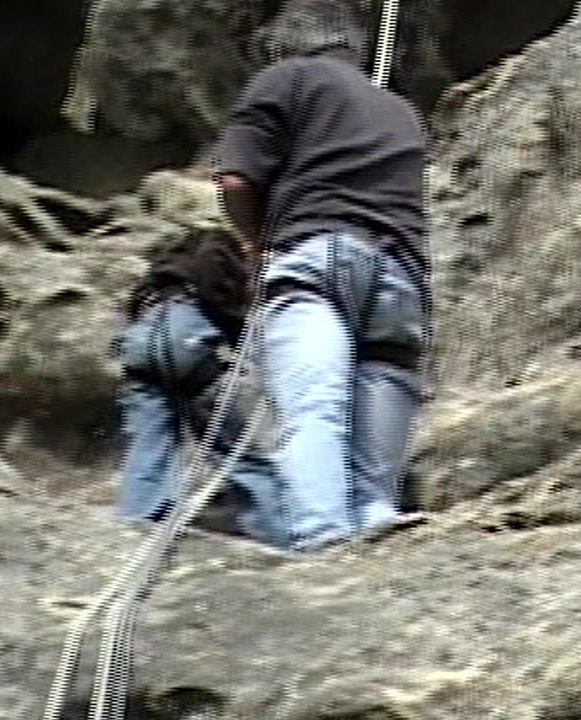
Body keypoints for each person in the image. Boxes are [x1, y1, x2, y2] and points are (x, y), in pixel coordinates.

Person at [213, 37, 430, 551]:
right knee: (376, 475)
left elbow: (235, 182)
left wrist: (256, 243)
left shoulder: (285, 78)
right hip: (400, 273)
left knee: (315, 409)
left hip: (316, 255)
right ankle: (377, 521)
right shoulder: (402, 111)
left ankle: (323, 537)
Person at [113, 224, 285, 547]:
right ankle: (276, 532)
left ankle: (137, 525)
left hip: (139, 344)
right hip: (184, 338)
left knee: (148, 447)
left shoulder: (160, 277)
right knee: (242, 452)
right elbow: (223, 305)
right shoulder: (215, 248)